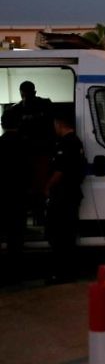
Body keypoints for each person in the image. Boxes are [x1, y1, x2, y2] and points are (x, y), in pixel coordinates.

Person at [44, 110, 87, 284]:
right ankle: (69, 273)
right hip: (71, 194)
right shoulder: (76, 142)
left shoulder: (66, 143)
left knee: (60, 237)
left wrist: (46, 187)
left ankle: (61, 274)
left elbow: (59, 171)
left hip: (63, 196)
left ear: (59, 124)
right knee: (68, 236)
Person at [12, 81, 55, 225]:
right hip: (26, 153)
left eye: (27, 94)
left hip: (41, 152)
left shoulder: (44, 105)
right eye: (23, 94)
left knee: (39, 187)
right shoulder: (17, 109)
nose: (25, 97)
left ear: (34, 93)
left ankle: (39, 216)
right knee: (29, 187)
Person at [0, 108, 29, 284]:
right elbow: (29, 171)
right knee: (16, 236)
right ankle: (17, 273)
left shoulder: (0, 143)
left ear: (3, 124)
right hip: (20, 195)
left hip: (3, 195)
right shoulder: (25, 144)